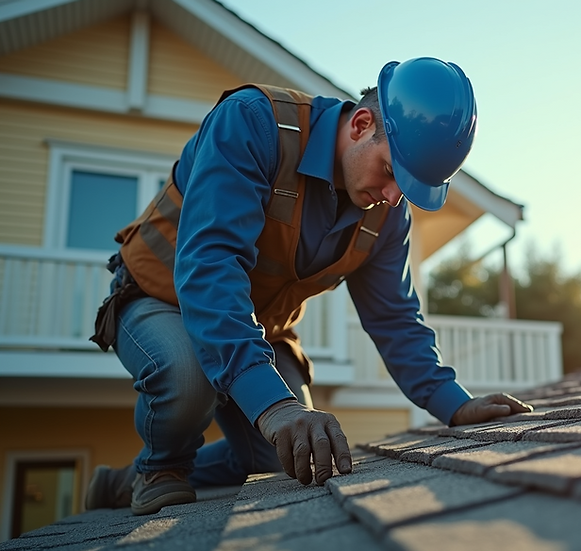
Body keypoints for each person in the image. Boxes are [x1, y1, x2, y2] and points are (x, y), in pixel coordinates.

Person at [84, 57, 532, 516]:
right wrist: (274, 404)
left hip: (258, 326)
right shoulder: (252, 123)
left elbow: (395, 318)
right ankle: (159, 469)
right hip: (160, 298)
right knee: (189, 378)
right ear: (361, 125)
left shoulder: (387, 212)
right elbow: (210, 266)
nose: (395, 195)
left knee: (291, 455)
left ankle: (117, 482)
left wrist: (455, 406)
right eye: (392, 171)